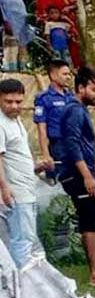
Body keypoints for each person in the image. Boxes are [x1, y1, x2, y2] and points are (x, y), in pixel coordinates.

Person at [57, 65, 95, 286]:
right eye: (94, 90)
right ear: (80, 88)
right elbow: (72, 144)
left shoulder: (79, 110)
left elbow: (87, 150)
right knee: (90, 220)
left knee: (92, 219)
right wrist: (87, 177)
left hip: (84, 171)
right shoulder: (75, 110)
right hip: (76, 174)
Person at [0, 78, 41, 267]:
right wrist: (5, 189)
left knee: (28, 240)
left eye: (18, 102)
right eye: (8, 102)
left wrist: (37, 166)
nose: (14, 106)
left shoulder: (16, 122)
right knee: (22, 243)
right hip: (16, 194)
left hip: (27, 191)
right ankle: (23, 290)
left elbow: (18, 155)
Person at [33, 60, 72, 176]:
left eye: (69, 74)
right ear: (53, 75)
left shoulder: (71, 97)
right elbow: (42, 128)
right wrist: (46, 154)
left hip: (74, 142)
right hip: (58, 145)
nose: (68, 77)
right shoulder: (44, 99)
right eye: (64, 74)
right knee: (61, 178)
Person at [34, 0, 80, 66]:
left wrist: (68, 9)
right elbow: (39, 15)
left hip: (69, 26)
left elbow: (76, 4)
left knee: (74, 51)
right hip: (53, 30)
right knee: (58, 55)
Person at [0, 0, 34, 72]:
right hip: (10, 22)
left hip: (21, 22)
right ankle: (11, 75)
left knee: (22, 49)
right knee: (11, 49)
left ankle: (23, 72)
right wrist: (5, 21)